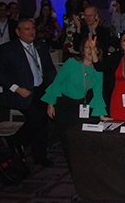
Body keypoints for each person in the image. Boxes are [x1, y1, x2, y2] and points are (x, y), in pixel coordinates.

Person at [0, 19, 57, 166]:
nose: (31, 32)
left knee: (43, 122)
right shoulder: (7, 49)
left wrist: (53, 89)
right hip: (21, 92)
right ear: (18, 32)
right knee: (38, 118)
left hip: (41, 89)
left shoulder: (40, 46)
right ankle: (17, 140)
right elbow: (0, 73)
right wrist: (16, 88)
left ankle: (39, 156)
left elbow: (49, 69)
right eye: (27, 29)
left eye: (32, 29)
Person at [42, 37, 110, 166]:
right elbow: (57, 83)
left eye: (93, 47)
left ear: (98, 51)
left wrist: (101, 115)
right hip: (63, 104)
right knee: (67, 140)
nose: (90, 50)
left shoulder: (98, 69)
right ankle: (73, 168)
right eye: (87, 47)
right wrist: (51, 104)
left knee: (80, 139)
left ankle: (81, 167)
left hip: (80, 105)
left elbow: (98, 93)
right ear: (82, 50)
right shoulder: (71, 63)